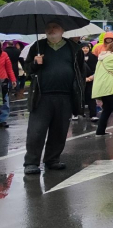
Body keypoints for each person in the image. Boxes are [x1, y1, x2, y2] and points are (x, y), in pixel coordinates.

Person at [23, 22, 86, 174]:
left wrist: (79, 93)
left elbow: (81, 72)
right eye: (49, 27)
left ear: (63, 30)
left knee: (59, 131)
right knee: (36, 131)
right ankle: (31, 163)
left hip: (65, 96)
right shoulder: (38, 46)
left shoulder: (74, 48)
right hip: (42, 96)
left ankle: (52, 159)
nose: (51, 30)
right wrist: (35, 63)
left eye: (55, 27)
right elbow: (27, 69)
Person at [80, 42, 98, 120]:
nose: (85, 49)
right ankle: (78, 112)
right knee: (80, 96)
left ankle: (93, 114)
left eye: (87, 48)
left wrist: (92, 77)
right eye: (83, 48)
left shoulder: (94, 57)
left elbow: (97, 68)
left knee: (91, 97)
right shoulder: (77, 57)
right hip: (80, 80)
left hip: (91, 79)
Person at [0, 44, 15, 129]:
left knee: (4, 101)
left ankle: (2, 120)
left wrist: (13, 80)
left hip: (3, 81)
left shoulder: (4, 54)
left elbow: (9, 69)